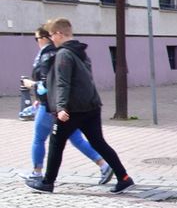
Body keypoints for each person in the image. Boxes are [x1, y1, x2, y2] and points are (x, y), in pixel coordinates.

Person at [26, 18, 134, 194]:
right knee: (98, 142)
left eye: (52, 35)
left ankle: (47, 182)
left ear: (60, 34)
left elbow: (62, 83)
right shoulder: (80, 51)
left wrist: (60, 108)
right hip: (91, 105)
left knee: (55, 143)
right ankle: (124, 178)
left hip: (71, 109)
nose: (51, 39)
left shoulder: (63, 55)